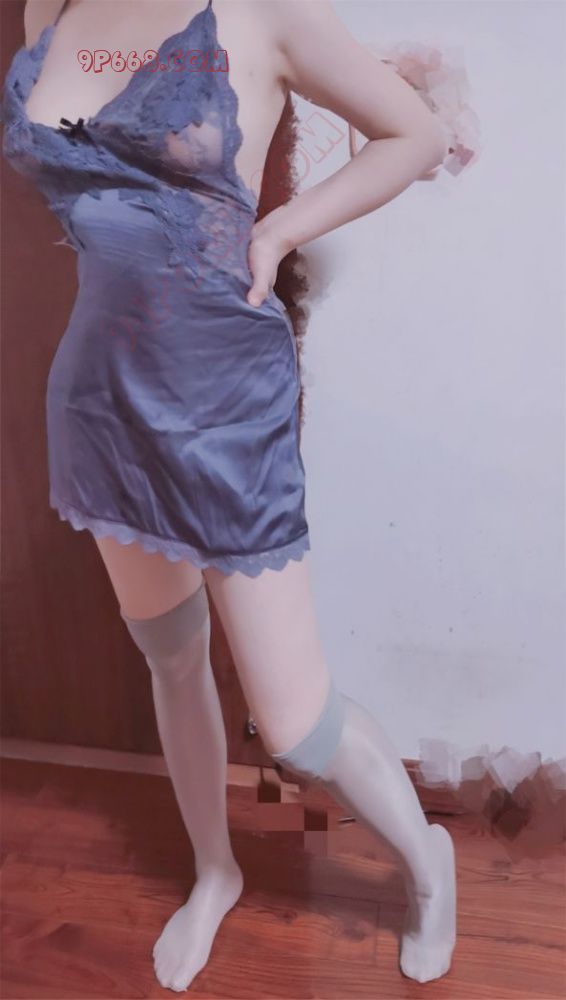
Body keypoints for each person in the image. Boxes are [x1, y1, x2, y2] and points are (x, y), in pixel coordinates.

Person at [2, 0, 456, 992]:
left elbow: (416, 134)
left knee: (296, 727)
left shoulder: (262, 9)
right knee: (171, 657)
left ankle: (429, 863)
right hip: (100, 399)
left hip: (222, 401)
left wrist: (281, 226)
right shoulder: (50, 9)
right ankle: (216, 870)